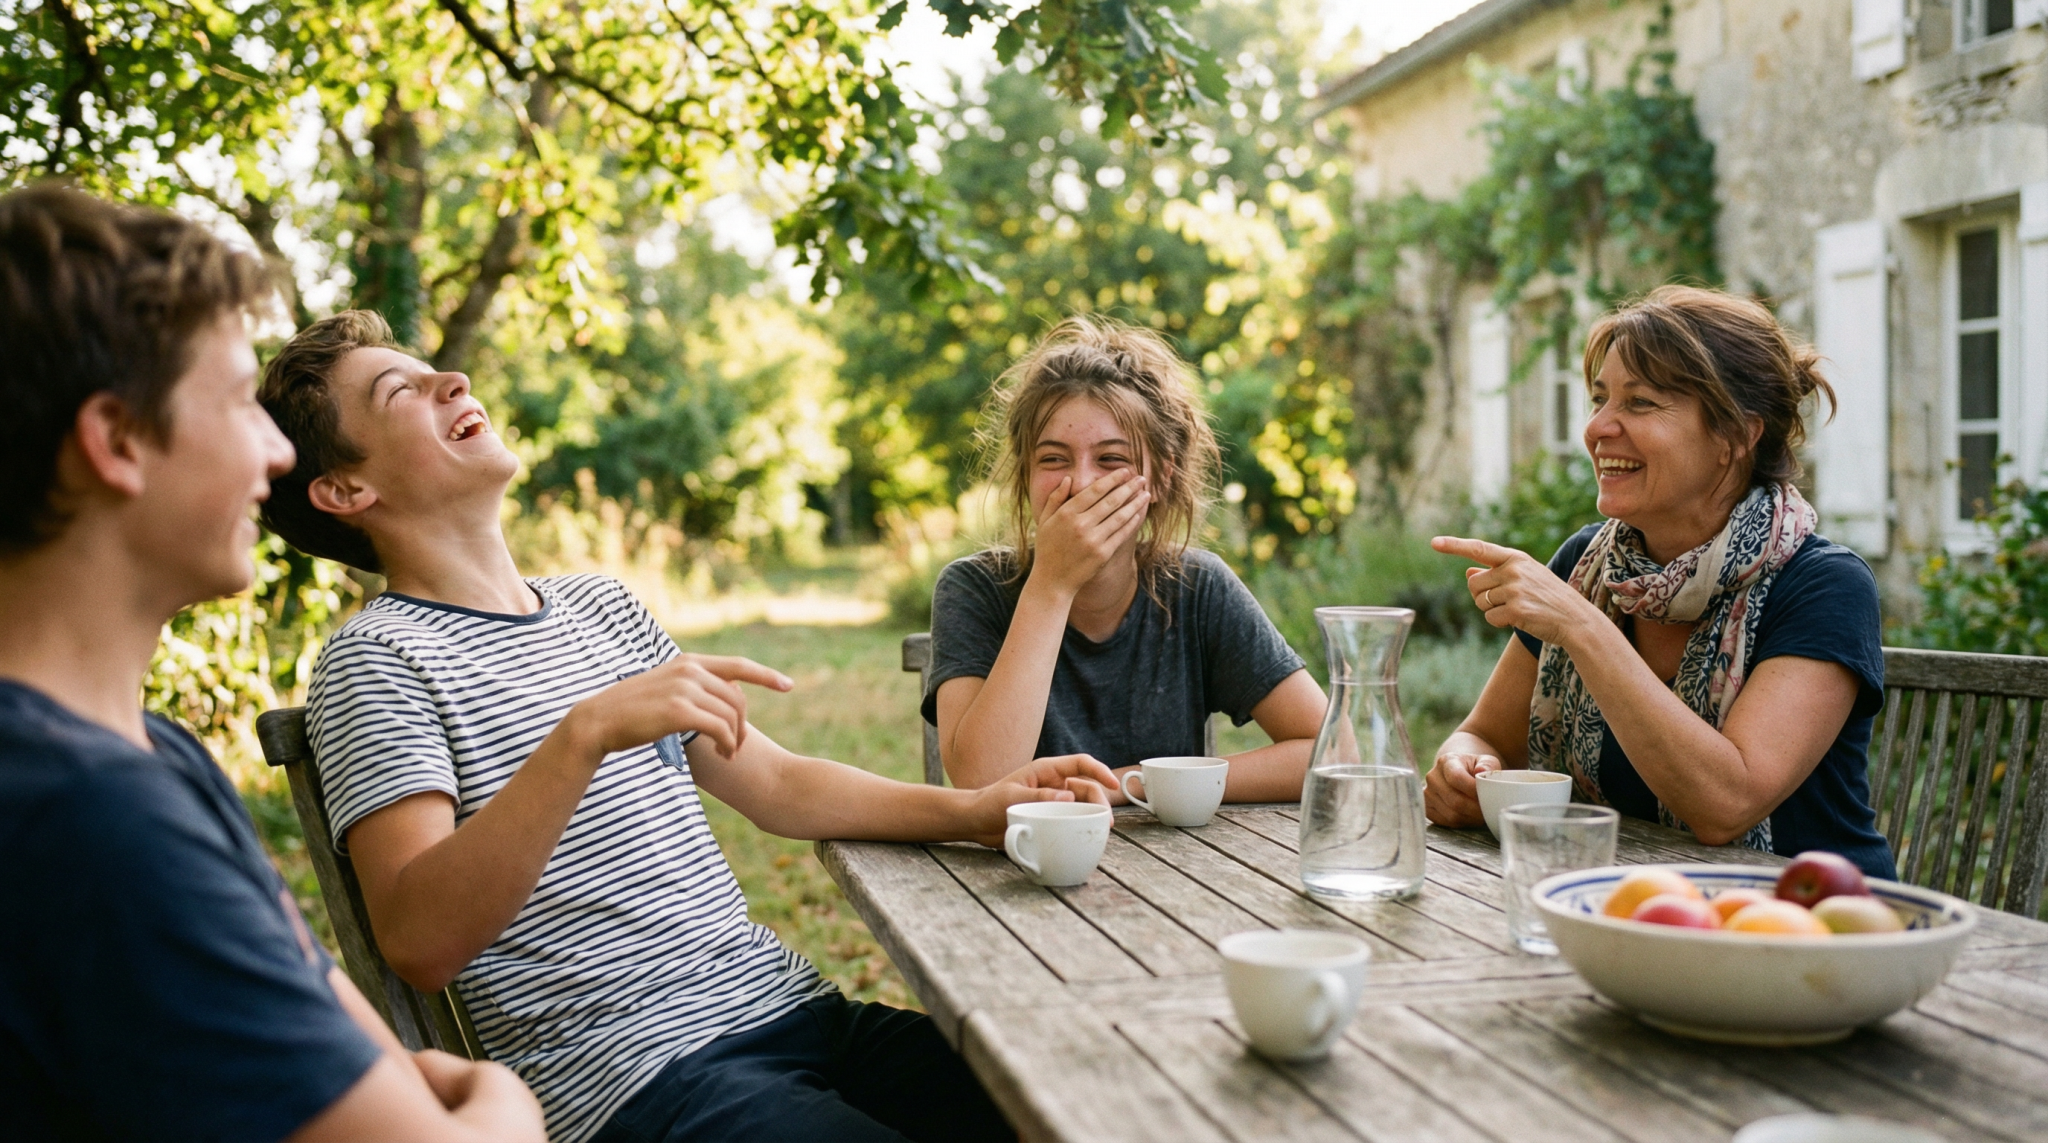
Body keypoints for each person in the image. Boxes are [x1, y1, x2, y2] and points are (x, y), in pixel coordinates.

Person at [257, 309, 1118, 1143]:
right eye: (399, 391)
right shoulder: (378, 660)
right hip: (637, 1081)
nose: (452, 378)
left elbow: (776, 783)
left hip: (790, 1010)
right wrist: (581, 737)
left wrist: (978, 810)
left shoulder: (601, 607)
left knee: (1081, 1101)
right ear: (345, 489)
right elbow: (417, 938)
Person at [0, 186, 545, 1140]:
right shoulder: (82, 816)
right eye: (229, 400)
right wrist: (506, 1099)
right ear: (116, 441)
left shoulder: (153, 755)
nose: (272, 451)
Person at [1425, 285, 1896, 879]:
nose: (1598, 427)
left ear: (1736, 435)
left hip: (1812, 929)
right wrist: (1464, 771)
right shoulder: (1587, 565)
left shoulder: (1822, 585)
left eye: (1641, 403)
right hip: (1632, 906)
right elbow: (1482, 735)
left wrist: (1581, 627)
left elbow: (1725, 805)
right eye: (1599, 398)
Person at [925, 316, 1325, 801]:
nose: (1083, 483)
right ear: (1026, 477)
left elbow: (1331, 752)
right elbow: (982, 781)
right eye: (1053, 459)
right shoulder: (974, 589)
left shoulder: (1197, 587)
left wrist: (1130, 783)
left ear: (1159, 479)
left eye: (1111, 459)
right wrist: (1052, 585)